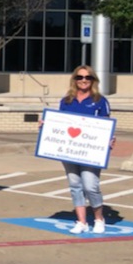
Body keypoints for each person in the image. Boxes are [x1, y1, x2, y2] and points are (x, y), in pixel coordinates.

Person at [51, 65, 114, 234]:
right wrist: (47, 125)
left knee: (90, 185)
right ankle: (82, 221)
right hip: (69, 151)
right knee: (75, 185)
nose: (83, 80)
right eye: (79, 77)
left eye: (87, 77)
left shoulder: (100, 101)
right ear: (75, 80)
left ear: (93, 80)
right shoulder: (66, 101)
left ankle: (99, 218)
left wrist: (108, 139)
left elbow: (106, 125)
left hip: (91, 152)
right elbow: (59, 123)